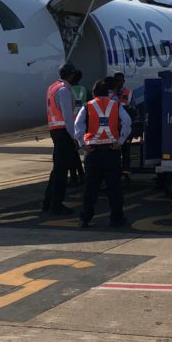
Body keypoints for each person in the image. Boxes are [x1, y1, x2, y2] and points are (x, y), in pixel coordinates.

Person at [75, 77, 131, 228]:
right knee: (114, 186)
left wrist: (82, 144)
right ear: (107, 92)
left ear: (93, 93)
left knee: (90, 187)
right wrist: (119, 142)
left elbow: (78, 125)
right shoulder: (116, 105)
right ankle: (117, 218)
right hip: (111, 151)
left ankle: (85, 218)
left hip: (93, 151)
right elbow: (127, 123)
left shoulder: (87, 106)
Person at [43, 62, 79, 215]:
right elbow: (68, 117)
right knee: (61, 171)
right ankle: (56, 204)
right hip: (63, 132)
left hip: (55, 130)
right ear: (71, 75)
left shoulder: (52, 87)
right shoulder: (64, 91)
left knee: (57, 169)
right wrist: (74, 136)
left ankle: (48, 202)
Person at [111, 72, 135, 175]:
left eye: (120, 81)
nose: (118, 83)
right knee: (115, 151)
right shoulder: (111, 94)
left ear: (123, 81)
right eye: (116, 81)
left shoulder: (129, 92)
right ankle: (116, 171)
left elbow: (134, 107)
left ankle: (126, 172)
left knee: (126, 150)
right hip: (114, 127)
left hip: (125, 125)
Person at [68, 70, 89, 186]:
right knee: (77, 151)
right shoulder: (84, 90)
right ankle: (80, 175)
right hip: (82, 123)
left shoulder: (66, 90)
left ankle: (76, 175)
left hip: (71, 122)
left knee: (72, 152)